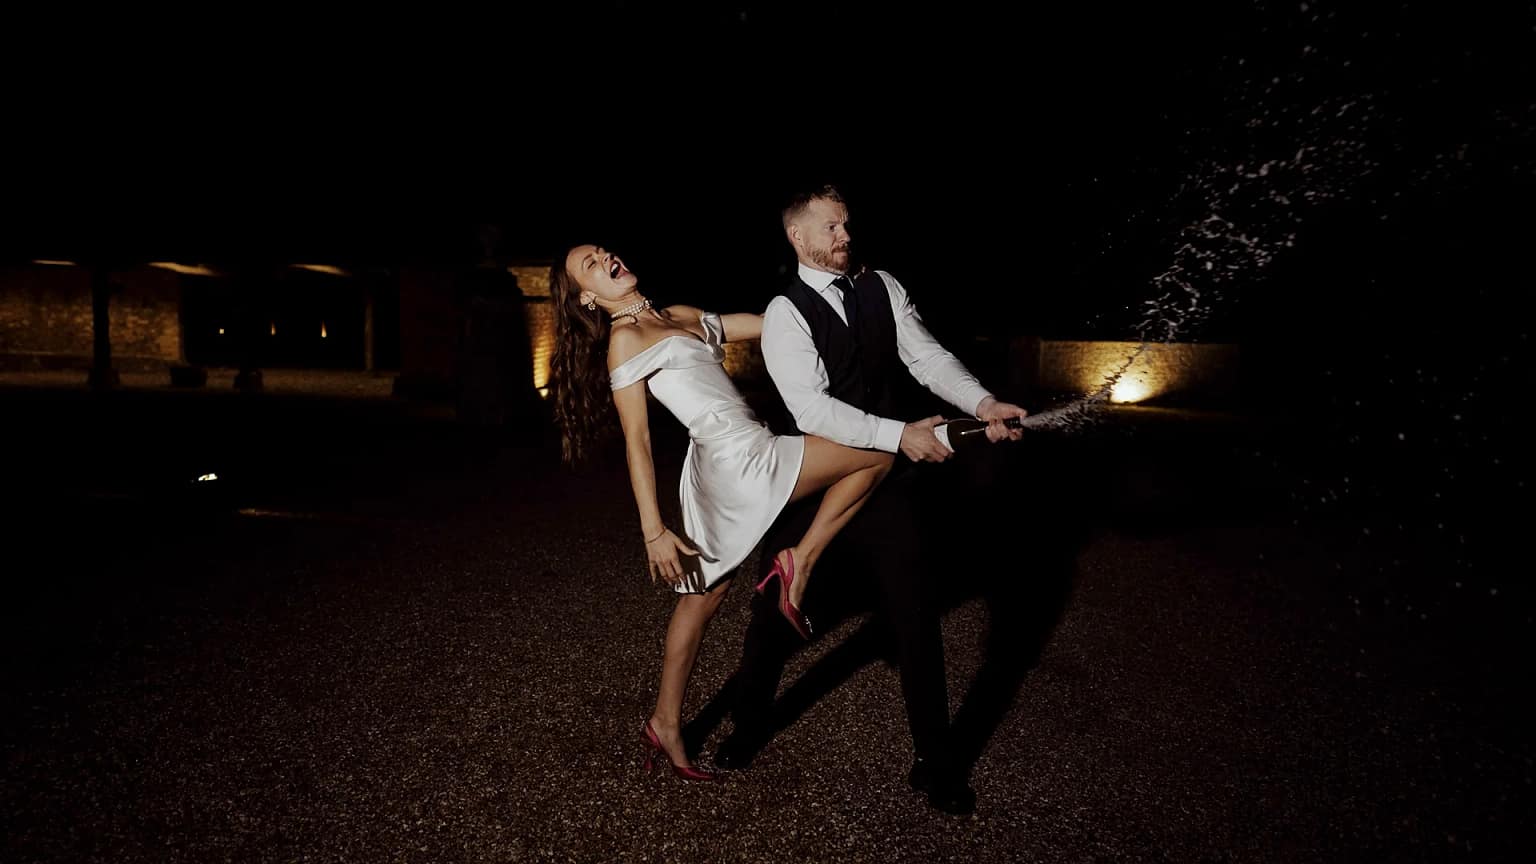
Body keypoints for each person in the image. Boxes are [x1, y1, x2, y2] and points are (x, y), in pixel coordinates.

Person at [712, 184, 1028, 815]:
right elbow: (810, 408)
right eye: (831, 227)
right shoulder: (785, 312)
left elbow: (927, 358)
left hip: (888, 485)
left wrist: (983, 403)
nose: (845, 236)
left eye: (846, 225)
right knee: (775, 613)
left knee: (915, 614)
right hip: (816, 480)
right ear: (798, 237)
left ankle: (936, 763)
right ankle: (748, 727)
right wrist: (901, 436)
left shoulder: (883, 284)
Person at [547, 242, 895, 781]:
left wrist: (834, 291)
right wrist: (653, 531)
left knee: (701, 601)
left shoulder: (679, 315)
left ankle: (665, 722)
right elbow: (636, 442)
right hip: (737, 459)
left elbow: (770, 324)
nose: (608, 259)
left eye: (603, 251)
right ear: (588, 298)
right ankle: (800, 561)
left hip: (729, 459)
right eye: (592, 266)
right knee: (878, 449)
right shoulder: (625, 341)